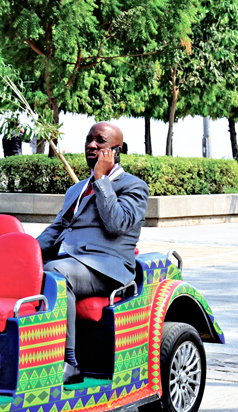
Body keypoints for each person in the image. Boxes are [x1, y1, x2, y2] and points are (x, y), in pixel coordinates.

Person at [37, 122, 149, 385]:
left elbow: (116, 224)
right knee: (28, 270)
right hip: (70, 262)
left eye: (100, 141)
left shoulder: (134, 187)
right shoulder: (76, 190)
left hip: (107, 268)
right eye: (89, 139)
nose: (92, 145)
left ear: (117, 151)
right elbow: (57, 229)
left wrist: (101, 179)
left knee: (55, 273)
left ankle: (70, 363)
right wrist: (24, 254)